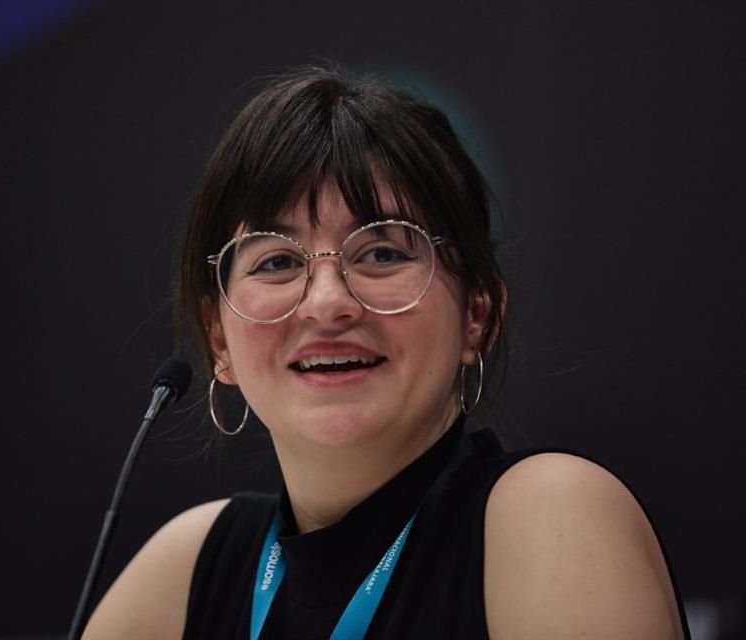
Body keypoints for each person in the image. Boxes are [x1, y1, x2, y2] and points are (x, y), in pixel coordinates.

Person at [82, 66, 689, 639]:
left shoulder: (549, 515)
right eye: (278, 262)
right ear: (220, 340)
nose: (326, 304)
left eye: (382, 254)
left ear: (477, 314)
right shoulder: (184, 573)